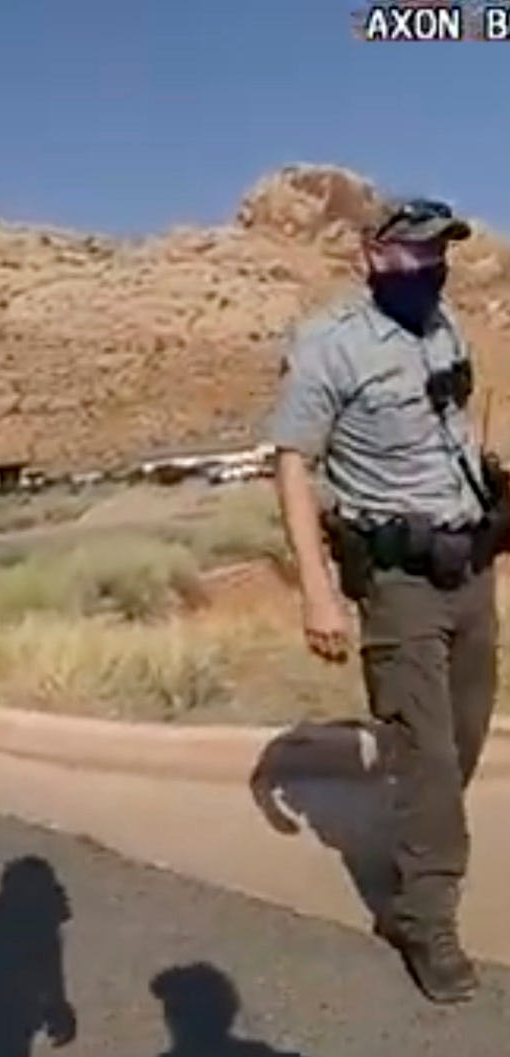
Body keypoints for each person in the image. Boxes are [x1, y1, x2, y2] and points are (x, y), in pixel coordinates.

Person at [268, 196, 503, 1005]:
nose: (428, 267)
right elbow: (294, 463)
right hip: (398, 585)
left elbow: (453, 427)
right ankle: (424, 918)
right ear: (370, 254)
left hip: (469, 568)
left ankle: (417, 841)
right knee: (426, 756)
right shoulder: (328, 345)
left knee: (461, 736)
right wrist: (317, 591)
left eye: (438, 252)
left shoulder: (443, 325)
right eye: (411, 253)